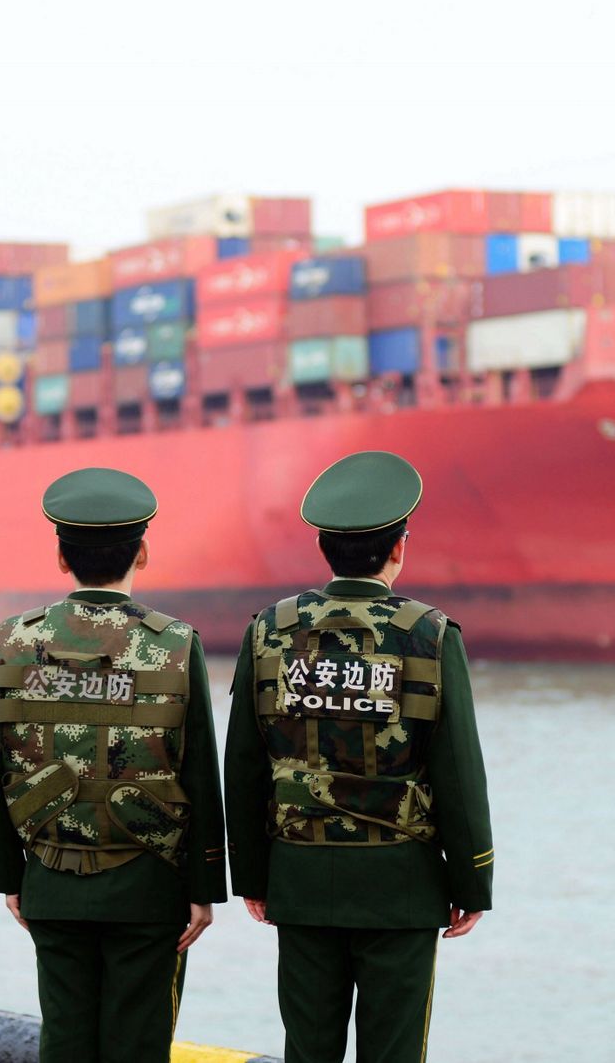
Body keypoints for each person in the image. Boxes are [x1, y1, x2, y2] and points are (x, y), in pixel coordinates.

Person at [224, 450, 494, 1063]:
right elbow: (458, 770)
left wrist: (255, 877)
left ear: (324, 548)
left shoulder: (269, 630)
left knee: (308, 1049)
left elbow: (244, 763)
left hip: (299, 876)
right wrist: (471, 880)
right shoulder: (428, 634)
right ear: (399, 548)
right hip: (401, 884)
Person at [0, 467, 227, 1063]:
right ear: (143, 552)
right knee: (138, 1044)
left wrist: (11, 877)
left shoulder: (10, 641)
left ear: (62, 558)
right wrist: (203, 888)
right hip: (149, 887)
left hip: (50, 880)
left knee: (64, 1040)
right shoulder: (175, 643)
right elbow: (199, 773)